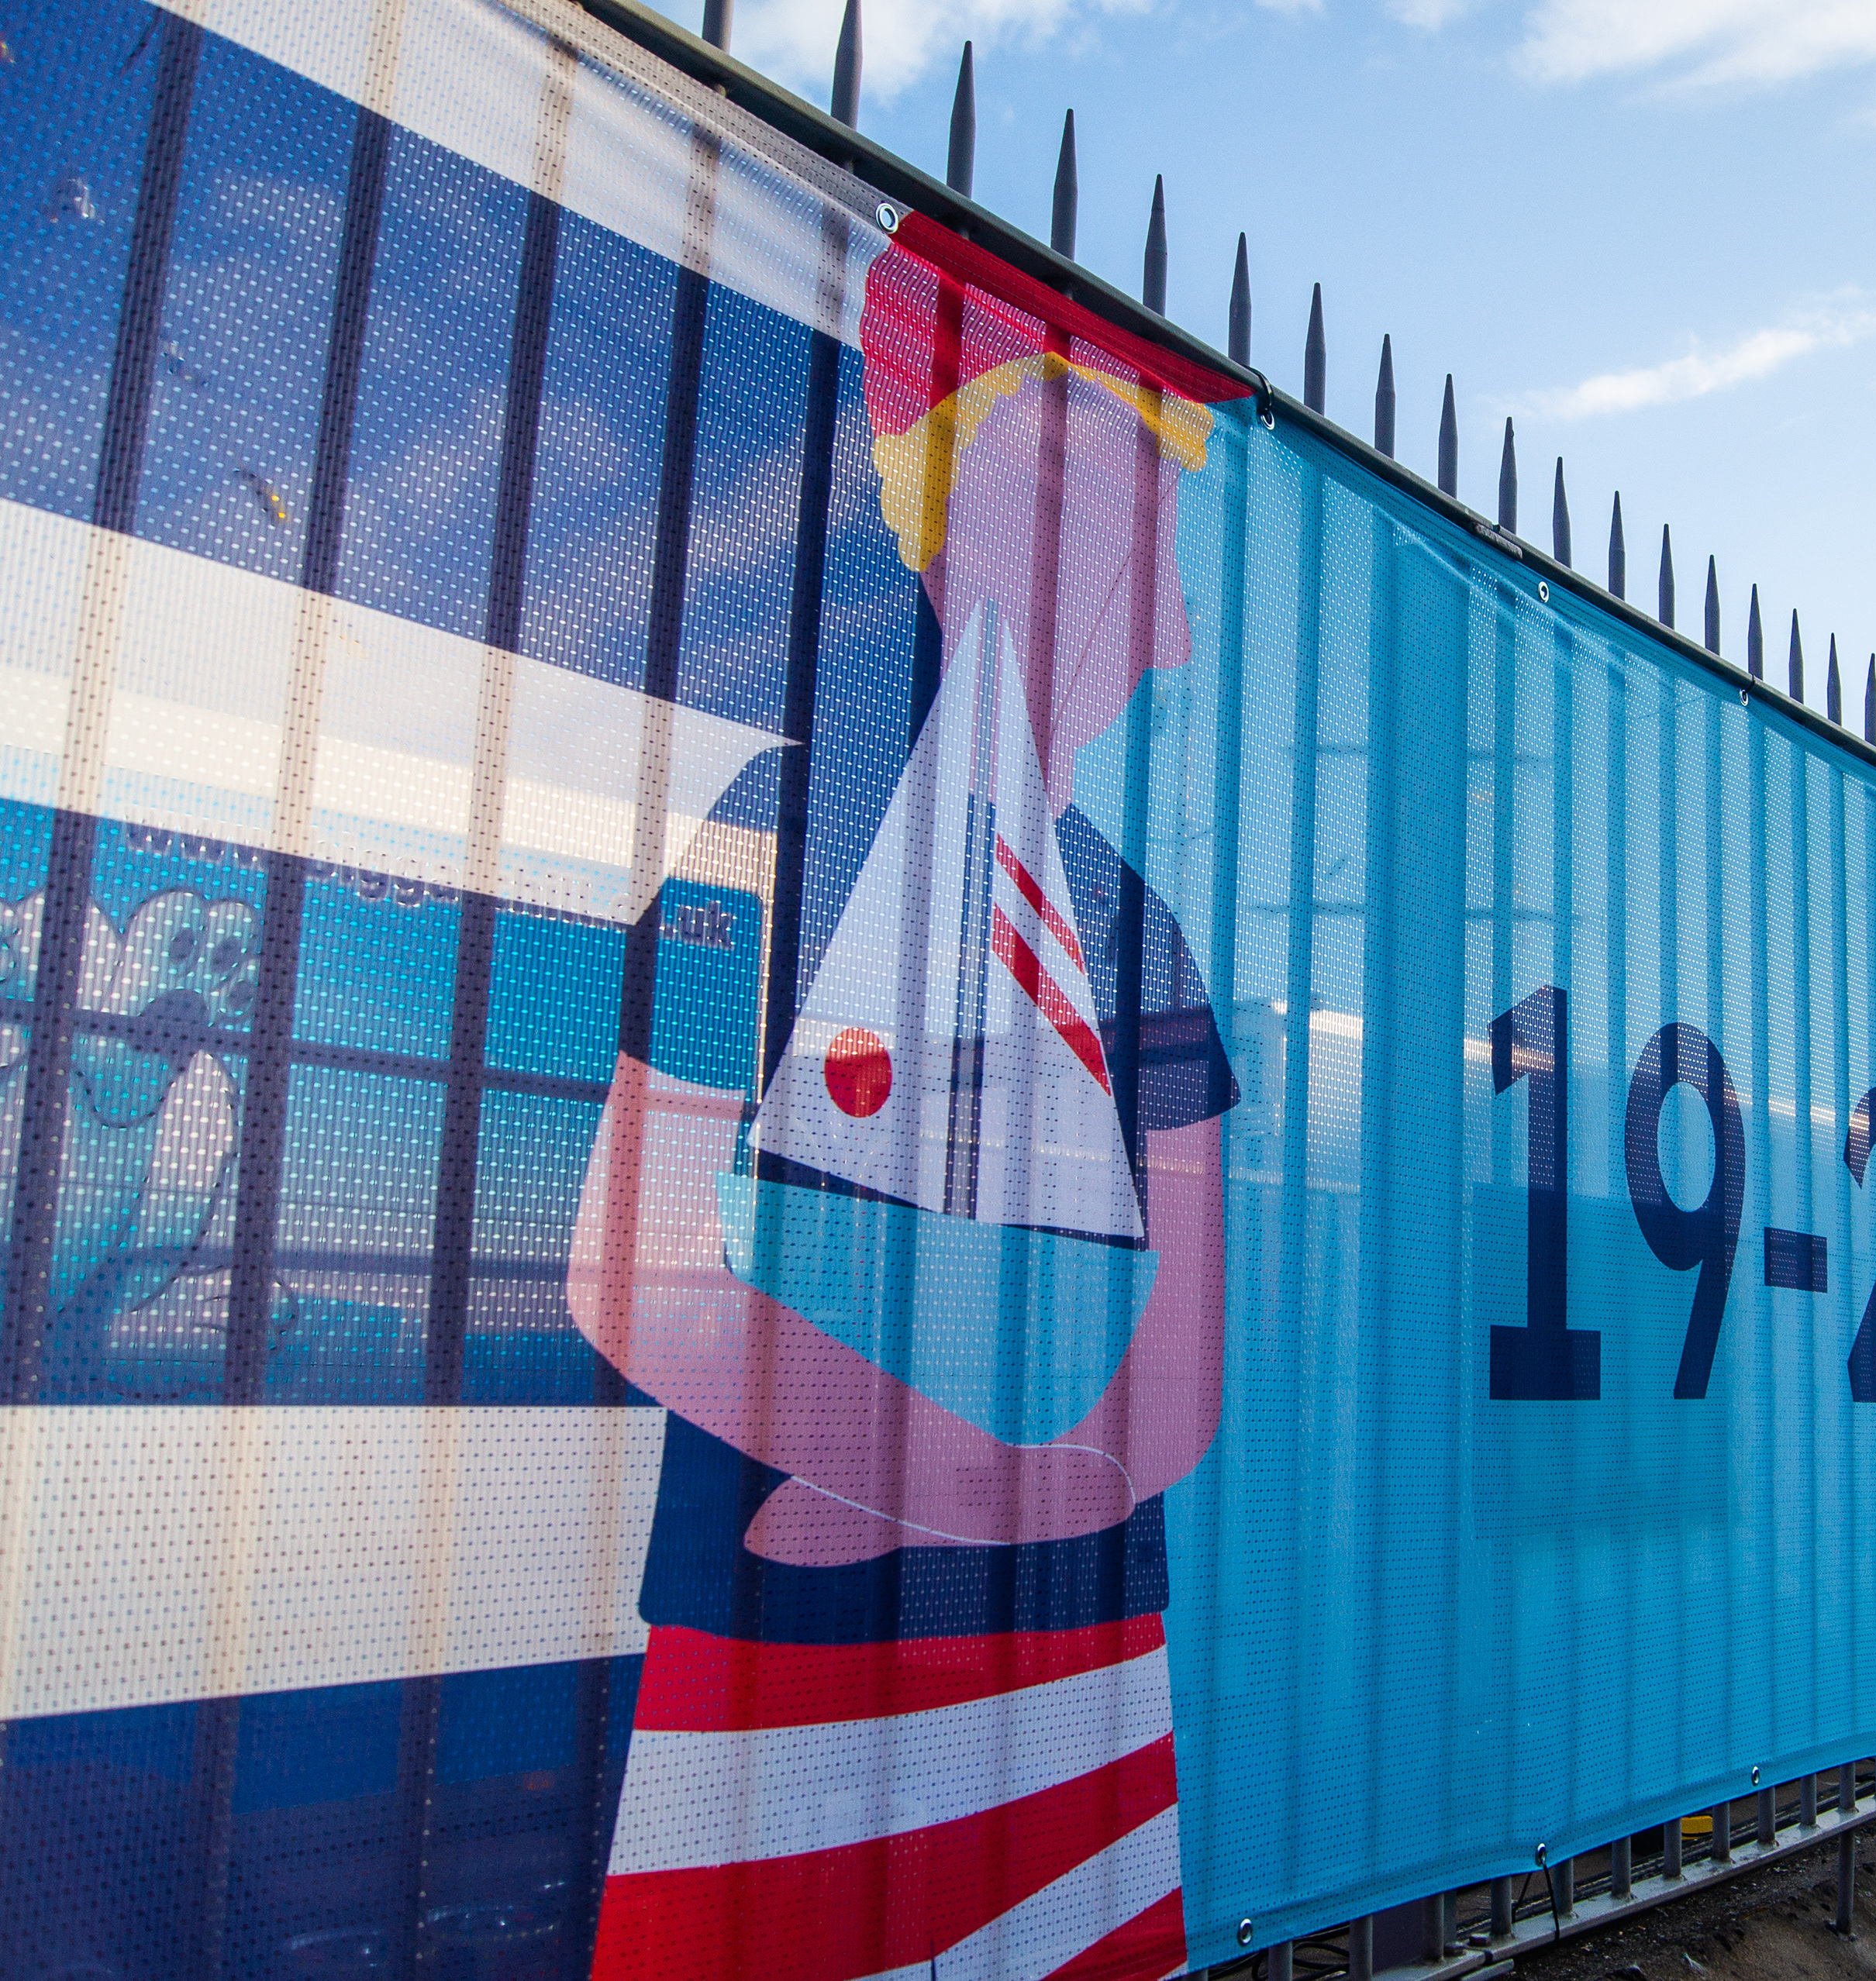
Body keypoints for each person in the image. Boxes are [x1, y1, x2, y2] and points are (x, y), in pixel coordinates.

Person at [574, 216, 1244, 1981]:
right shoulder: (774, 832)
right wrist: (986, 1483)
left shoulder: (1142, 935)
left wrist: (941, 1493)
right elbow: (632, 1266)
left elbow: (1188, 1351)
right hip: (781, 1661)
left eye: (1143, 544)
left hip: (1077, 1672)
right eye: (1088, 518)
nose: (1146, 604)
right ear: (954, 539)